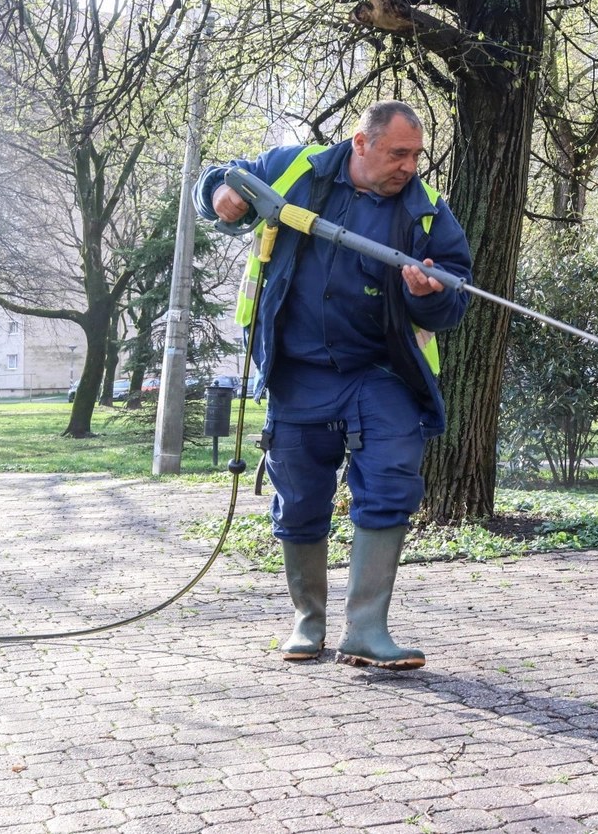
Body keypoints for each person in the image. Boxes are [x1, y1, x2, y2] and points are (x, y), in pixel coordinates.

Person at [195, 100, 472, 670]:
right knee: (298, 498)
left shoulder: (426, 211)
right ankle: (308, 621)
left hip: (381, 372)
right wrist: (219, 191)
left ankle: (367, 630)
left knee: (391, 481)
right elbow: (223, 181)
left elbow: (454, 297)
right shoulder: (294, 169)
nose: (409, 167)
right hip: (297, 371)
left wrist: (430, 293)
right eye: (398, 153)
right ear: (361, 143)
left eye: (416, 155)